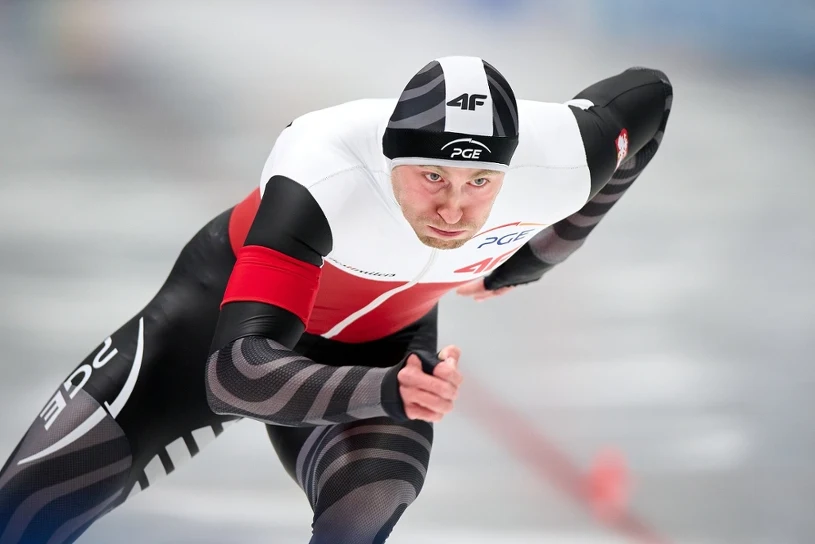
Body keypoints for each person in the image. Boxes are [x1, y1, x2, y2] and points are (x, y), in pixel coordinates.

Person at [0, 56, 673, 544]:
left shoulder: (562, 160)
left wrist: (536, 257)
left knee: (369, 503)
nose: (452, 208)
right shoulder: (322, 167)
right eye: (431, 176)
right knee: (20, 515)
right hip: (214, 327)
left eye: (478, 183)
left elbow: (649, 95)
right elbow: (235, 371)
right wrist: (391, 393)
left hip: (385, 345)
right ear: (388, 160)